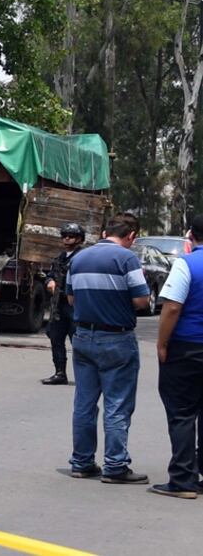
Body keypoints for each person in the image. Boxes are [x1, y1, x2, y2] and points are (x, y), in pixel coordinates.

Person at [64, 212, 151, 484]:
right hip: (116, 338)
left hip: (82, 337)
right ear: (131, 236)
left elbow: (70, 299)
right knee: (117, 404)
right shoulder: (127, 259)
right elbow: (142, 301)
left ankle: (81, 462)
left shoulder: (78, 258)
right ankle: (115, 465)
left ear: (104, 233)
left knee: (84, 403)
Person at [150, 213, 203, 499]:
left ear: (190, 236)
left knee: (182, 413)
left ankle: (183, 480)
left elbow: (172, 307)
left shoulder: (186, 263)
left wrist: (162, 343)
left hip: (187, 348)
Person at [40, 222, 85, 385]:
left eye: (71, 236)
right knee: (55, 338)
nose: (66, 239)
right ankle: (60, 373)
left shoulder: (82, 258)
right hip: (58, 305)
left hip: (75, 305)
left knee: (78, 342)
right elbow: (50, 275)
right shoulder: (60, 258)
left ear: (79, 239)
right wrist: (50, 282)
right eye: (64, 236)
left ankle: (84, 376)